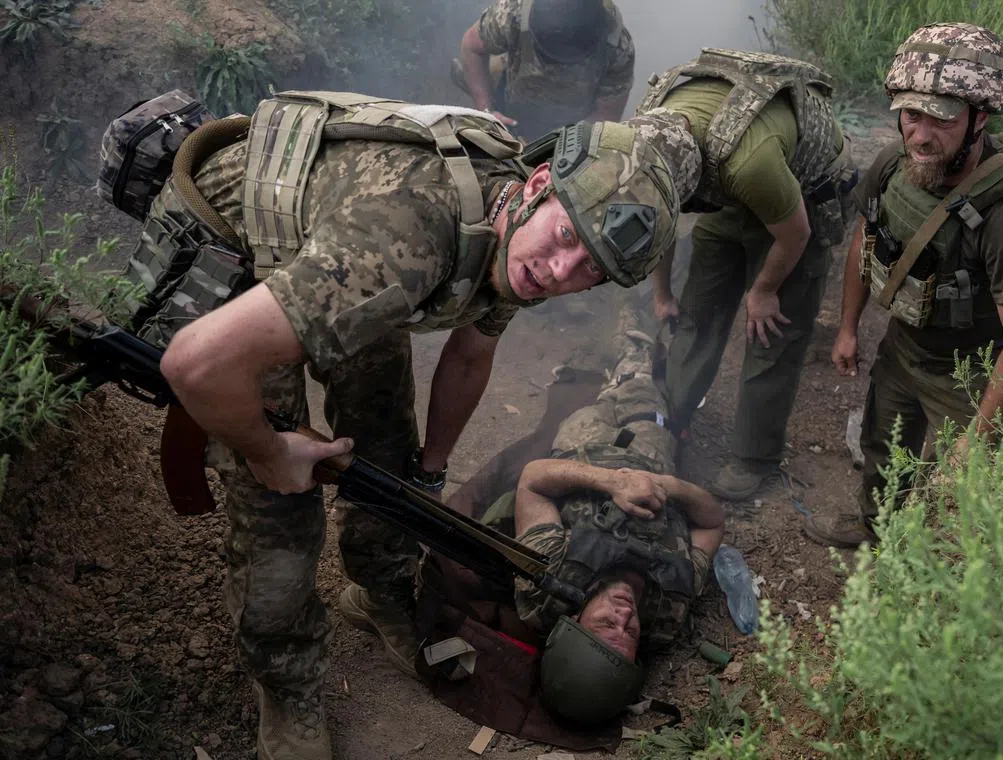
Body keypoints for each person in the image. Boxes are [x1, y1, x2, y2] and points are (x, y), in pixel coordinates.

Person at [137, 90, 678, 760]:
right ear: (538, 187)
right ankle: (286, 682)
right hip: (239, 256)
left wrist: (429, 473)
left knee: (387, 452)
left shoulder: (516, 240)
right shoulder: (410, 238)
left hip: (334, 257)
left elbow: (474, 347)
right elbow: (197, 366)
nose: (561, 271)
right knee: (280, 506)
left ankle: (379, 586)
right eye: (568, 238)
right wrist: (267, 449)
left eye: (589, 268)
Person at [802, 23, 1003, 548]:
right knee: (884, 448)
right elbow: (865, 242)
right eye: (910, 114)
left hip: (968, 372)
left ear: (979, 119)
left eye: (941, 120)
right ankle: (876, 529)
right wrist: (848, 327)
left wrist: (979, 435)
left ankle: (933, 586)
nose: (920, 135)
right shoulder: (890, 167)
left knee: (958, 498)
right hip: (904, 348)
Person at [473, 317, 725, 725]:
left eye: (608, 622)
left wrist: (614, 482)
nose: (625, 616)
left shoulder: (546, 582)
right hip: (650, 457)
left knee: (598, 398)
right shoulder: (669, 606)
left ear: (573, 621)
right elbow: (713, 522)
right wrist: (664, 484)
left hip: (582, 450)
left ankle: (615, 336)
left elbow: (533, 481)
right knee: (644, 392)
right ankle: (640, 342)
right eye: (630, 633)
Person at [631, 48, 858, 502]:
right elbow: (660, 217)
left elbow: (794, 233)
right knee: (697, 311)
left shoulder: (747, 163)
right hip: (730, 189)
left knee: (771, 330)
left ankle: (754, 457)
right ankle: (671, 422)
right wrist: (662, 293)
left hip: (802, 197)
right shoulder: (642, 143)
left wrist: (764, 290)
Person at [453, 0, 635, 141]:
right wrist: (487, 112)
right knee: (478, 74)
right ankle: (477, 89)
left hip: (572, 121)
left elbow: (605, 117)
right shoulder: (513, 13)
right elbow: (472, 47)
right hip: (514, 84)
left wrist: (564, 146)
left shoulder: (617, 47)